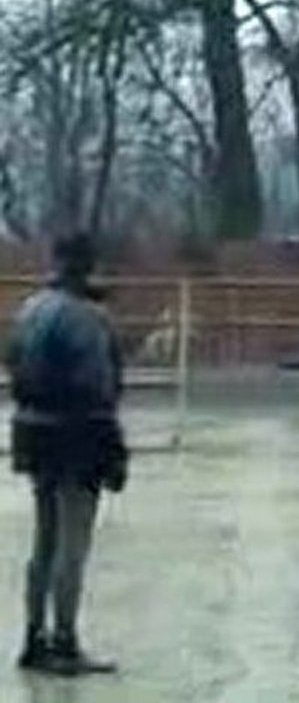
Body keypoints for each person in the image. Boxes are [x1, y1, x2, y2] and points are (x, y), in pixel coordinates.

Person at [6, 231, 128, 676]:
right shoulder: (89, 318)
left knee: (44, 539)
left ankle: (33, 637)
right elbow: (100, 387)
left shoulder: (30, 308)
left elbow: (13, 365)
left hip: (33, 431)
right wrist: (112, 447)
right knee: (72, 544)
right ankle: (65, 641)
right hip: (76, 434)